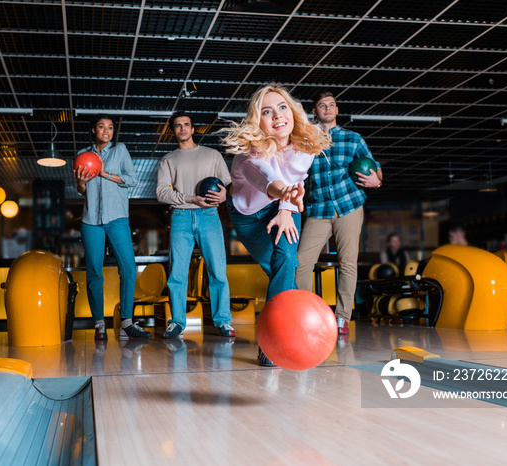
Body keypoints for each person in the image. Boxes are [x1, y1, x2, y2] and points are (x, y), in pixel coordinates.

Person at [223, 84, 331, 366]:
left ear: (293, 112)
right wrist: (284, 196)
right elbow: (267, 178)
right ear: (257, 121)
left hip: (286, 204)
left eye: (283, 108)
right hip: (246, 215)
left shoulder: (307, 144)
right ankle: (302, 325)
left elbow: (295, 179)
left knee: (286, 260)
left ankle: (271, 343)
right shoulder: (250, 154)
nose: (278, 116)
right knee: (278, 268)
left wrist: (285, 206)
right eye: (267, 112)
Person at [295, 90, 382, 336]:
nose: (328, 108)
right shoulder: (306, 142)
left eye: (332, 105)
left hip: (349, 207)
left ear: (337, 110)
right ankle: (304, 313)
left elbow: (375, 168)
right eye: (322, 105)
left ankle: (342, 318)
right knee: (301, 263)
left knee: (348, 262)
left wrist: (377, 181)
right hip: (318, 209)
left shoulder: (353, 139)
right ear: (315, 112)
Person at [156, 111, 235, 339]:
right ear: (173, 131)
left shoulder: (212, 155)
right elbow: (161, 193)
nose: (182, 128)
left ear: (193, 129)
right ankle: (177, 323)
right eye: (178, 125)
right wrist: (190, 198)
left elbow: (229, 185)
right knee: (177, 274)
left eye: (186, 125)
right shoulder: (168, 160)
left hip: (209, 216)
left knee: (217, 271)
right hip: (181, 216)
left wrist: (224, 197)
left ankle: (223, 321)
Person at [74, 114, 151, 341]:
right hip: (90, 221)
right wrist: (80, 183)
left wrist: (104, 173)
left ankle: (126, 322)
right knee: (94, 272)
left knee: (128, 267)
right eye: (101, 127)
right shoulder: (82, 156)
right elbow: (82, 191)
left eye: (110, 127)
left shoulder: (120, 150)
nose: (106, 131)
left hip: (117, 217)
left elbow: (133, 180)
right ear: (93, 130)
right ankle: (99, 324)